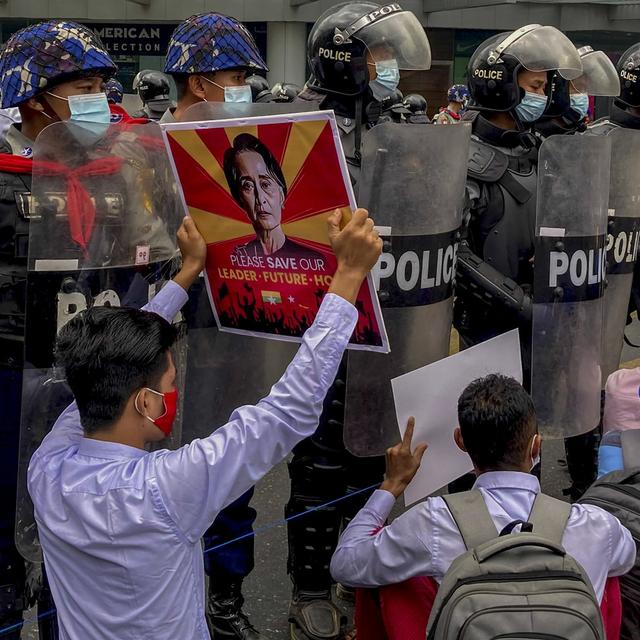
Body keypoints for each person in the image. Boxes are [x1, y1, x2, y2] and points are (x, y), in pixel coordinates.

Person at [28, 210, 381, 640]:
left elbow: (112, 352)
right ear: (145, 401)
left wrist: (189, 272)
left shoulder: (48, 465)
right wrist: (348, 275)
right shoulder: (166, 488)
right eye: (171, 382)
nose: (175, 388)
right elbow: (290, 410)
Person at [290, 4, 432, 638]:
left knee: (371, 455)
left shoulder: (396, 128)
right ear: (346, 60)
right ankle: (309, 586)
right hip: (319, 316)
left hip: (387, 318)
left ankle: (358, 575)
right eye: (379, 58)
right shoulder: (300, 126)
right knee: (317, 462)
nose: (390, 71)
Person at [330, 374, 636, 640]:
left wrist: (391, 485)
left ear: (460, 441)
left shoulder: (432, 521)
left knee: (395, 573)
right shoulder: (595, 525)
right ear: (536, 446)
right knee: (607, 576)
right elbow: (626, 559)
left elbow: (345, 563)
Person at [0, 19, 117, 638]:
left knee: (76, 526)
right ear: (33, 99)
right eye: (83, 86)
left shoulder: (120, 171)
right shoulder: (4, 174)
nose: (99, 98)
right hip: (9, 373)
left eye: (102, 83)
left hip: (85, 375)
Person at [162, 14, 275, 638]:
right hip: (166, 333)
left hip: (233, 331)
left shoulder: (250, 148)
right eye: (236, 77)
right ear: (201, 82)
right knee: (155, 474)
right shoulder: (151, 149)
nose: (244, 88)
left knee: (230, 468)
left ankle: (225, 599)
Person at [224, 132, 324, 259]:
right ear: (240, 198)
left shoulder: (311, 260)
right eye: (248, 186)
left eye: (265, 184)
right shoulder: (238, 258)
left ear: (281, 195)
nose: (260, 199)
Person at [162, 12, 266, 124]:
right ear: (199, 85)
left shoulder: (239, 138)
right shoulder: (150, 140)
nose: (246, 86)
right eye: (237, 78)